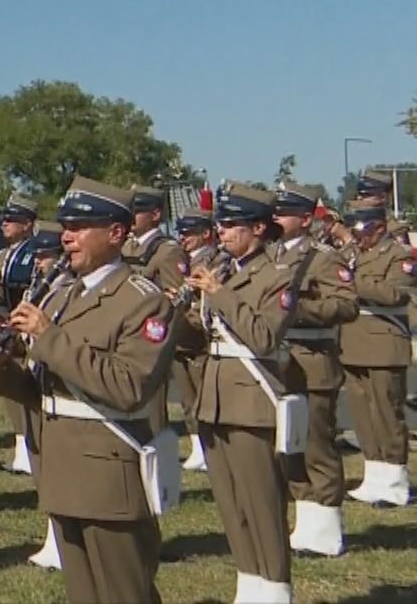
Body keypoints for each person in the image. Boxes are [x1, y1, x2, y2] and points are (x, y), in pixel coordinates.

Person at [0, 177, 176, 604]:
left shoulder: (142, 300)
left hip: (109, 474)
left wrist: (48, 338)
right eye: (65, 225)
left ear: (116, 234)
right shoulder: (62, 294)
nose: (66, 235)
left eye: (81, 226)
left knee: (125, 592)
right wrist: (3, 370)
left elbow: (128, 387)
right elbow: (45, 392)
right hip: (64, 468)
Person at [184, 183, 297, 604]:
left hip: (252, 401)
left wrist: (219, 294)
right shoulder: (227, 271)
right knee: (232, 503)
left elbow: (264, 336)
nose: (222, 232)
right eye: (221, 224)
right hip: (214, 399)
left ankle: (276, 585)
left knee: (262, 503)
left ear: (260, 227)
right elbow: (205, 335)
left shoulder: (278, 277)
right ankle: (250, 581)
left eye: (231, 224)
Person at [269, 182, 358, 557]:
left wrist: (298, 310)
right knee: (290, 446)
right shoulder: (271, 254)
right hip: (281, 363)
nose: (276, 217)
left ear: (306, 219)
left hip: (313, 360)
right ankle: (306, 521)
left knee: (318, 446)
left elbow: (346, 304)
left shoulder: (322, 258)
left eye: (284, 211)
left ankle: (327, 526)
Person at [337, 206, 414, 507]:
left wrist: (351, 281)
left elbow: (395, 294)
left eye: (363, 231)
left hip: (384, 344)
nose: (358, 237)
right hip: (354, 343)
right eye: (356, 231)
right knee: (363, 415)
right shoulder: (355, 254)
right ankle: (374, 475)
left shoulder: (399, 255)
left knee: (386, 413)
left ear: (379, 228)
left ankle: (395, 480)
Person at [0, 192, 40, 474]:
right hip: (7, 321)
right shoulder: (3, 255)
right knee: (9, 383)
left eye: (12, 220)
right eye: (4, 219)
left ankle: (31, 444)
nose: (4, 224)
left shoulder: (36, 252)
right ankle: (21, 442)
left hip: (28, 324)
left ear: (28, 224)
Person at [172, 209, 221, 472]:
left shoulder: (214, 259)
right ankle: (198, 446)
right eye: (182, 232)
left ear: (206, 234)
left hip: (198, 336)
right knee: (188, 398)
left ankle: (209, 447)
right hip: (182, 334)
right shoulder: (187, 259)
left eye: (190, 233)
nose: (184, 237)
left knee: (203, 396)